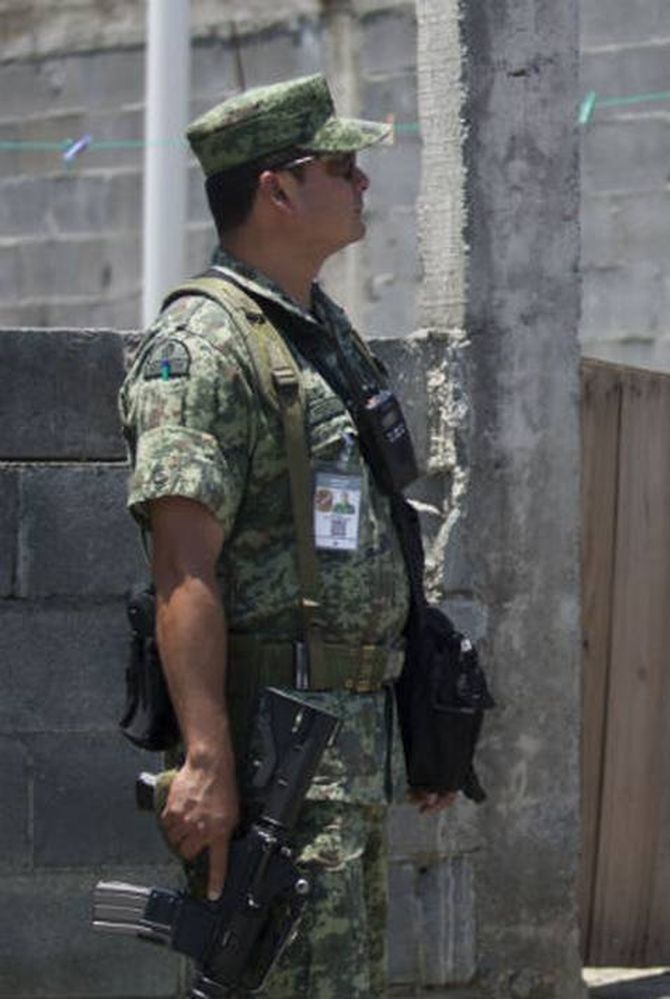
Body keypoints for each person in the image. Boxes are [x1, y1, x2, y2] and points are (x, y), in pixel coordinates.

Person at [118, 74, 452, 997]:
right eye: (342, 166)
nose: (363, 184)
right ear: (277, 189)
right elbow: (184, 569)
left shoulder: (319, 332)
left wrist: (418, 719)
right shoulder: (204, 348)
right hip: (276, 760)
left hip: (348, 751)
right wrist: (207, 759)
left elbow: (373, 534)